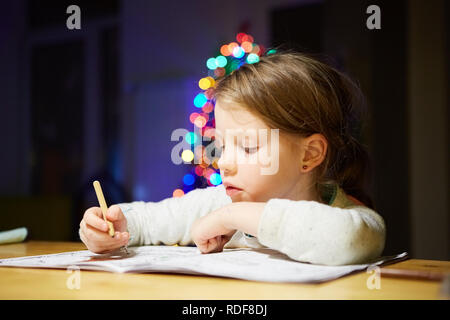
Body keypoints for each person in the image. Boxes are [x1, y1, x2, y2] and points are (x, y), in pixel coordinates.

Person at [79, 50, 386, 266]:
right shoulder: (218, 201)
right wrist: (112, 228)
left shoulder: (347, 216)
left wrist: (231, 217)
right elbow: (147, 221)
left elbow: (349, 240)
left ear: (309, 154)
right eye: (222, 147)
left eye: (248, 147)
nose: (224, 163)